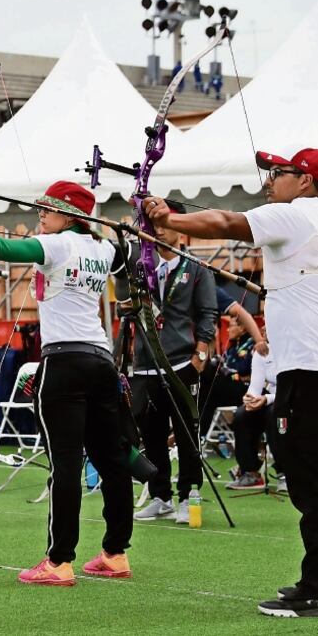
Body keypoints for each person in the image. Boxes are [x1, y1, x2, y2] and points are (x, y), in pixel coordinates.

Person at [0, 181, 132, 586]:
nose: (40, 215)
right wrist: (125, 292)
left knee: (66, 464)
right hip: (101, 361)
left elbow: (6, 249)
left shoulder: (55, 246)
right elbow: (127, 265)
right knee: (112, 460)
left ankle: (58, 562)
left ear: (71, 216)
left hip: (65, 362)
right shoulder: (104, 249)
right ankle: (115, 553)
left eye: (49, 209)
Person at [144, 147, 318, 618]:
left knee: (306, 478)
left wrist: (168, 218)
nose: (269, 180)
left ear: (304, 181)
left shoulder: (297, 215)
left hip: (306, 372)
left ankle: (317, 587)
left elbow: (224, 222)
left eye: (278, 173)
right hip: (306, 368)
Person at [118, 200, 217, 525]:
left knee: (187, 431)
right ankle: (160, 495)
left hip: (180, 363)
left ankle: (189, 494)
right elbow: (123, 302)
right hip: (145, 361)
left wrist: (200, 355)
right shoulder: (140, 264)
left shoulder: (195, 268)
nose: (159, 228)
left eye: (167, 222)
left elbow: (207, 313)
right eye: (153, 223)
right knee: (152, 432)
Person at [227, 327, 283, 491]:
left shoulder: (293, 351)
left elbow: (295, 388)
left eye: (268, 327)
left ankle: (285, 473)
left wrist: (267, 399)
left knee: (275, 414)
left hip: (291, 400)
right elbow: (255, 387)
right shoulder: (262, 351)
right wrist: (249, 398)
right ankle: (250, 472)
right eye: (263, 328)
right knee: (242, 414)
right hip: (267, 399)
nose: (264, 331)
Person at [198, 312, 255, 434]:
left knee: (209, 386)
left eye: (231, 326)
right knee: (205, 390)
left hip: (244, 390)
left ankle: (199, 433)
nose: (228, 329)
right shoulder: (233, 347)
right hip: (228, 389)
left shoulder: (252, 345)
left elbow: (242, 368)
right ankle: (198, 432)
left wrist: (223, 368)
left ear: (242, 328)